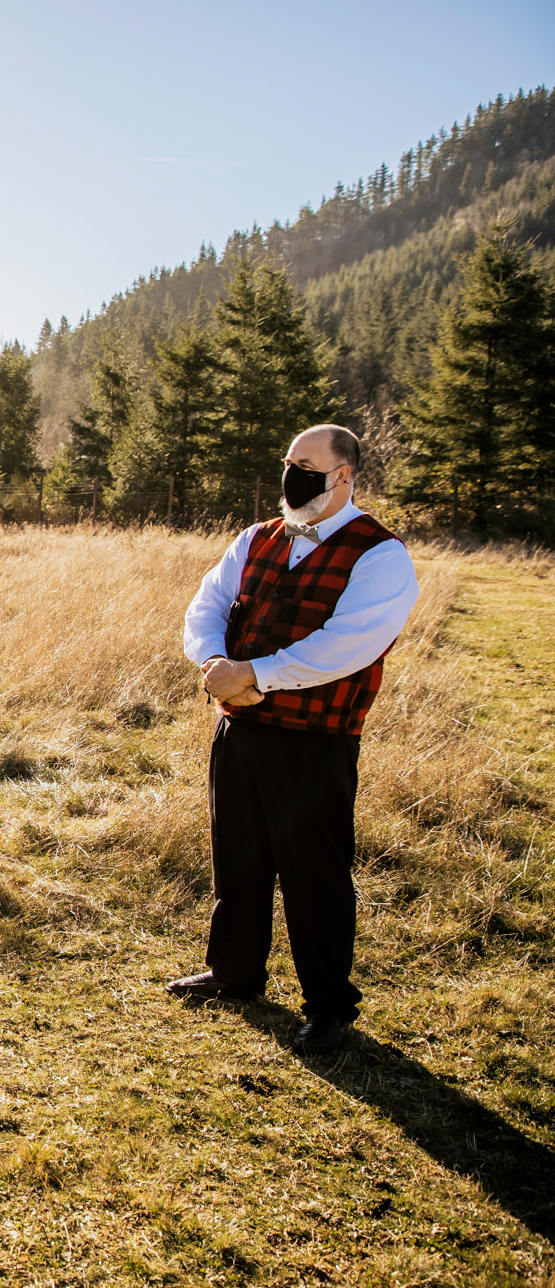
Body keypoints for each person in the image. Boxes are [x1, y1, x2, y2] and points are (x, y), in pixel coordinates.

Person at [172, 423, 419, 1053]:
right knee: (239, 854)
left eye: (307, 465)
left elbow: (350, 644)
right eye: (289, 462)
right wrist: (215, 669)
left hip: (317, 739)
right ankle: (234, 973)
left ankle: (329, 1005)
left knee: (316, 872)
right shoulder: (256, 538)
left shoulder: (380, 554)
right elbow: (206, 607)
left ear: (343, 475)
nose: (292, 475)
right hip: (240, 727)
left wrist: (256, 673)